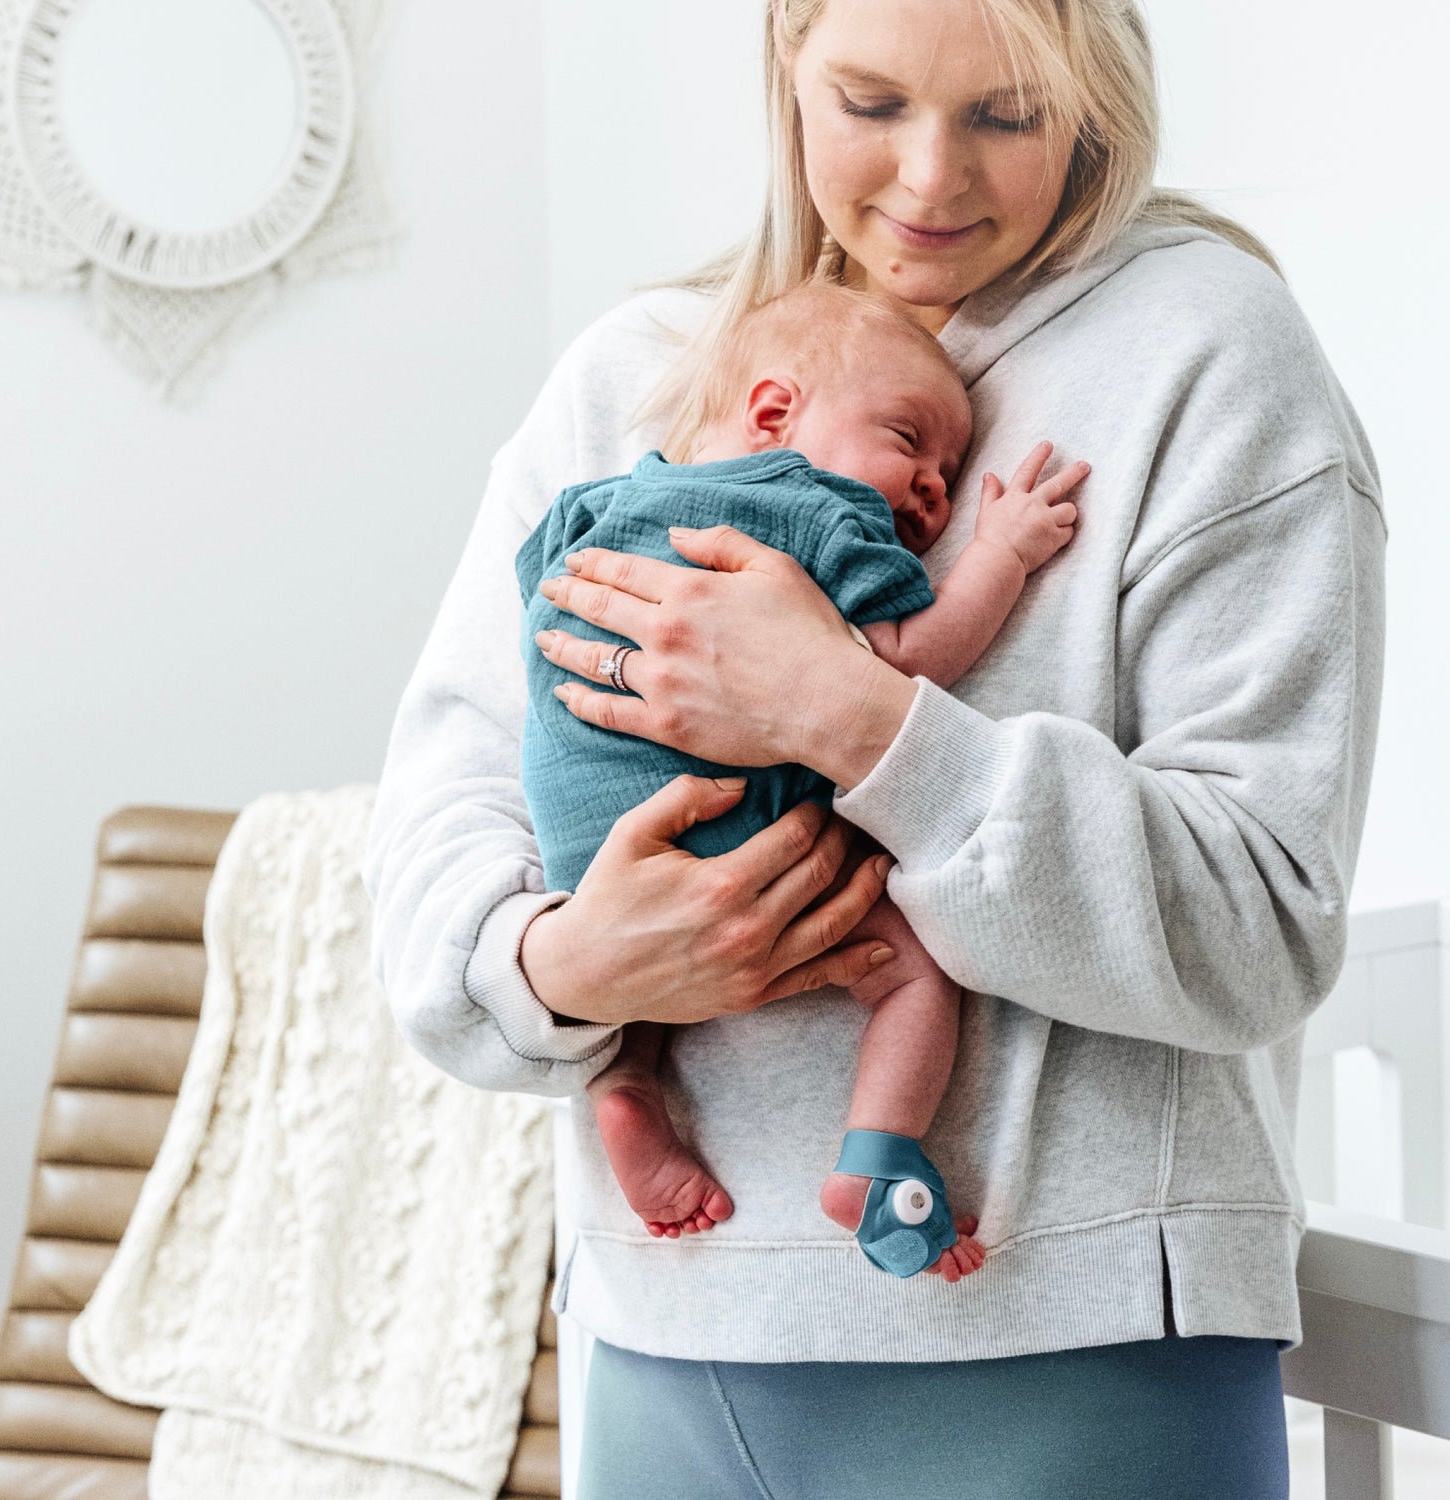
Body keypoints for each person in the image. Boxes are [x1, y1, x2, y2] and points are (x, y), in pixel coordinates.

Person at [362, 0, 1386, 1494]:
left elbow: (1260, 925)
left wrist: (852, 717)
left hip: (1078, 1353)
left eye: (1008, 115)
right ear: (784, 61)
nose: (928, 179)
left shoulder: (1208, 354)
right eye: (869, 101)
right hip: (668, 1351)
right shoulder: (633, 374)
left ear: (1099, 99)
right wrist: (576, 968)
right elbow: (435, 847)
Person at [517, 281, 1088, 1283]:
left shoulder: (598, 504)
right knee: (917, 963)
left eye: (949, 472)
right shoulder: (812, 513)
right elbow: (908, 660)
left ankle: (634, 1079)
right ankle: (873, 1160)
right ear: (776, 414)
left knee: (646, 967)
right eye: (910, 439)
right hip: (736, 825)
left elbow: (536, 588)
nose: (934, 489)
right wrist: (997, 552)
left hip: (583, 857)